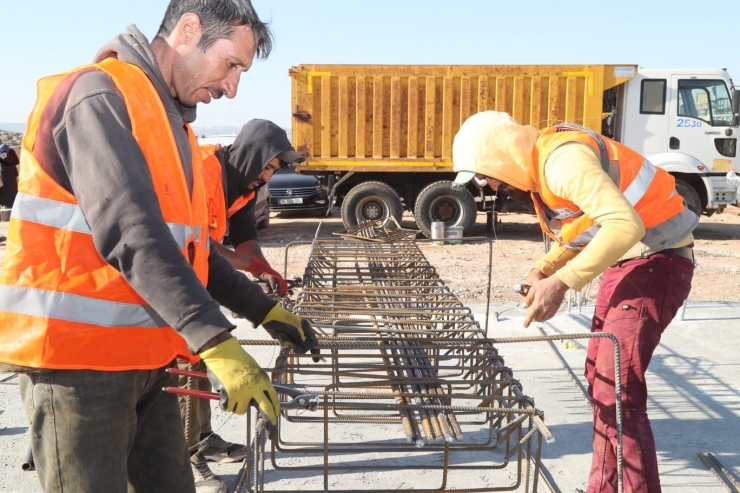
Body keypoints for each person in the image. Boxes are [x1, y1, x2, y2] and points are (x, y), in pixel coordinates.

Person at [0, 2, 318, 493]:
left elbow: (192, 248)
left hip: (146, 362)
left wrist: (264, 310)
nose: (232, 87)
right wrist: (216, 341)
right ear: (188, 29)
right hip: (76, 366)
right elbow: (131, 232)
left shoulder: (174, 125)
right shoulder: (99, 95)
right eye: (231, 65)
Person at [452, 111, 697, 493]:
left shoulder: (562, 162)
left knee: (618, 391)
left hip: (657, 260)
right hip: (636, 262)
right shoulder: (541, 172)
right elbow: (583, 229)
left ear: (499, 156)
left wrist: (561, 283)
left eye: (484, 176)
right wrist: (544, 269)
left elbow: (624, 225)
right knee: (603, 383)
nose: (488, 187)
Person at [182, 119, 306, 492]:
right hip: (175, 276)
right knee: (187, 359)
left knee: (199, 362)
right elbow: (202, 243)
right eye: (267, 167)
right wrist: (251, 267)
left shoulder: (243, 188)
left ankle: (203, 438)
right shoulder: (204, 171)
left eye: (273, 171)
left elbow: (244, 237)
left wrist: (264, 269)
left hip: (199, 274)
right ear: (251, 155)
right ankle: (186, 455)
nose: (267, 177)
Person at [0, 142, 19, 209]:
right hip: (12, 175)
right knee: (12, 192)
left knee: (4, 194)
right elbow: (17, 161)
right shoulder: (11, 151)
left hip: (3, 176)